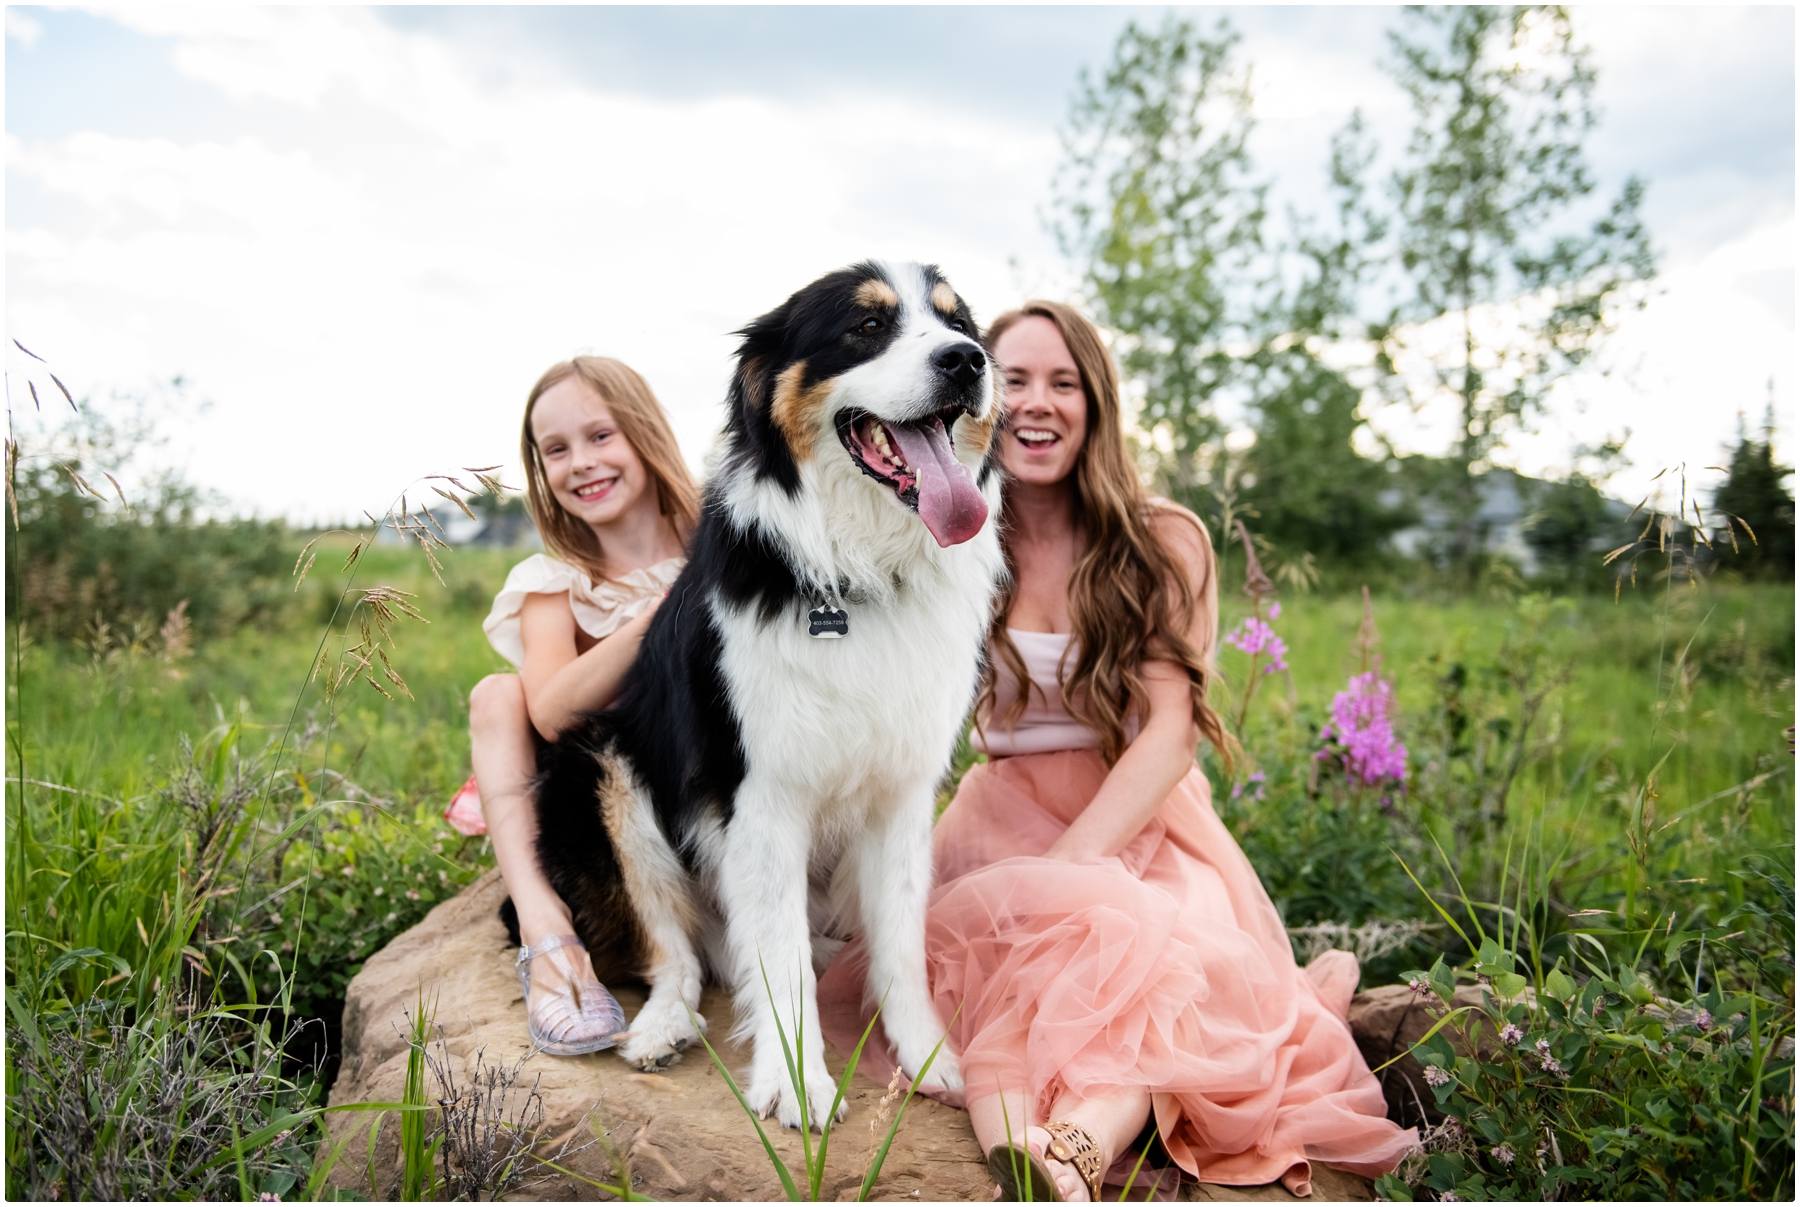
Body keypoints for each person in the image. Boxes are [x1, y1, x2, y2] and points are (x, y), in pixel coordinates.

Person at [819, 302, 1414, 1200]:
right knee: (1006, 989)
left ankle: (1078, 1149)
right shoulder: (941, 536)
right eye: (1013, 379)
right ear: (974, 392)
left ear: (1095, 404)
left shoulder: (1162, 537)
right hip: (999, 812)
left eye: (1064, 382)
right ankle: (1023, 1152)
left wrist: (1071, 866)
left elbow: (1172, 732)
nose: (1035, 402)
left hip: (1138, 813)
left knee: (1155, 973)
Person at [462, 355, 697, 1055]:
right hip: (611, 815)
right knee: (498, 693)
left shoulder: (717, 537)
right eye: (555, 449)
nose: (581, 463)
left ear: (643, 432)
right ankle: (547, 930)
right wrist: (655, 616)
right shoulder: (554, 582)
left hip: (712, 797)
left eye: (600, 436)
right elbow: (555, 712)